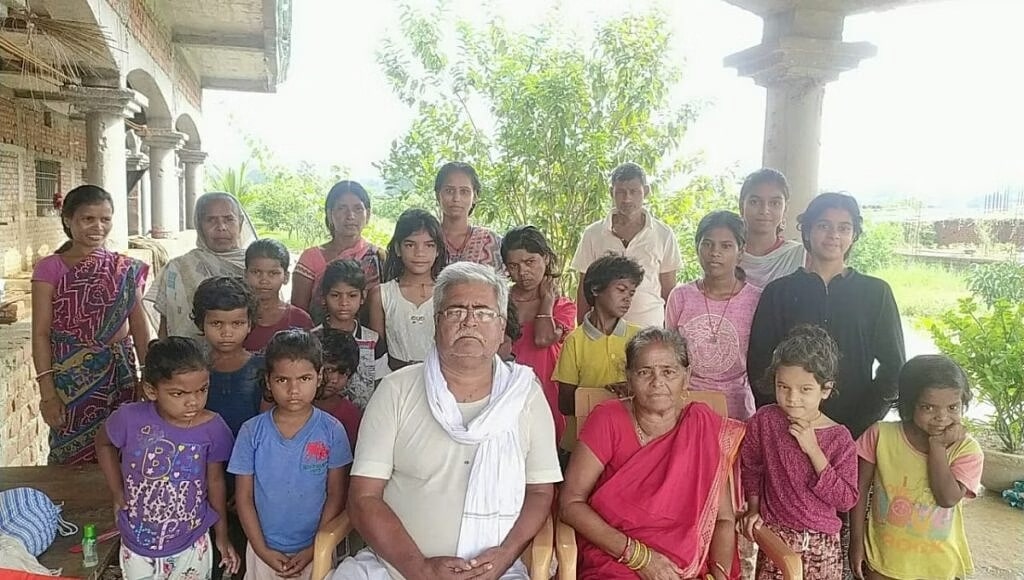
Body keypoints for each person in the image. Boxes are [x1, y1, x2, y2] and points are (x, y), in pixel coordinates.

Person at [331, 262, 561, 580]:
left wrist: (505, 556)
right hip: (396, 567)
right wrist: (418, 568)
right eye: (455, 311)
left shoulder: (525, 395)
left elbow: (539, 492)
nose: (469, 321)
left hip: (494, 571)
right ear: (435, 323)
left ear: (500, 326)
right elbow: (364, 498)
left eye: (483, 312)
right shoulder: (395, 390)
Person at [559, 328, 742, 579]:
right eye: (645, 372)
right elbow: (570, 503)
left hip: (689, 568)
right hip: (617, 559)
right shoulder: (607, 420)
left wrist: (718, 576)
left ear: (686, 377)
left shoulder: (702, 427)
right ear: (629, 377)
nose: (657, 382)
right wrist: (639, 557)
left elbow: (723, 519)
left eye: (668, 372)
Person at [747, 192, 906, 439]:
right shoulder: (779, 292)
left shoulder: (876, 293)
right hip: (788, 427)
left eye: (844, 228)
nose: (834, 235)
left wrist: (861, 421)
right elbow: (759, 363)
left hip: (853, 429)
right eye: (824, 226)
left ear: (854, 235)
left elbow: (894, 367)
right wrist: (784, 416)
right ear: (807, 231)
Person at [95, 337, 240, 580]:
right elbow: (103, 443)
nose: (193, 401)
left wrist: (222, 536)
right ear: (151, 390)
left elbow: (215, 482)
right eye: (179, 393)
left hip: (191, 543)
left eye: (202, 390)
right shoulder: (129, 419)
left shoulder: (213, 428)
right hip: (136, 542)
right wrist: (117, 491)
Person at [31, 185, 151, 464]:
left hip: (119, 375)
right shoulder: (50, 268)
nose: (98, 227)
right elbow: (40, 333)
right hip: (70, 379)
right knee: (70, 452)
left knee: (123, 448)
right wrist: (48, 393)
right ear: (68, 220)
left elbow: (139, 325)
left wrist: (147, 374)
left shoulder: (125, 269)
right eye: (88, 219)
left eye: (105, 219)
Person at [229, 330, 351, 580]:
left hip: (315, 550)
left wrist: (314, 548)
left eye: (304, 378)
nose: (294, 389)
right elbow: (244, 497)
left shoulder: (332, 431)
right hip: (263, 550)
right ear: (268, 381)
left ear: (319, 378)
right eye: (283, 380)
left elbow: (336, 494)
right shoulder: (251, 432)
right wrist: (262, 549)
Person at [740, 325, 858, 580]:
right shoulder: (766, 420)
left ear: (825, 389)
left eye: (805, 389)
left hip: (822, 547)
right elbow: (751, 466)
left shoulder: (840, 438)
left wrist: (814, 450)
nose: (792, 398)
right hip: (775, 539)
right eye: (783, 387)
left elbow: (847, 499)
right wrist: (754, 507)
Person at [850, 355, 982, 580]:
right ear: (909, 404)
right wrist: (856, 543)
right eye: (928, 407)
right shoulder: (880, 435)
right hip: (883, 560)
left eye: (953, 407)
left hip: (938, 565)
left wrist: (937, 447)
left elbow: (947, 498)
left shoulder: (967, 449)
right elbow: (858, 491)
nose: (942, 417)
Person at [665, 211, 761, 420]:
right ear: (697, 247)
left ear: (741, 252)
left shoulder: (757, 300)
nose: (714, 252)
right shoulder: (680, 297)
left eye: (726, 246)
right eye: (707, 244)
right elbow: (669, 358)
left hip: (739, 411)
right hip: (686, 409)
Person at [570, 162, 682, 328]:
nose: (627, 198)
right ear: (611, 193)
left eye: (634, 191)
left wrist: (669, 334)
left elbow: (669, 291)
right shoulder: (593, 234)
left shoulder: (663, 234)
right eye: (621, 192)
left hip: (649, 332)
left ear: (646, 191)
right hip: (604, 333)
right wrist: (582, 330)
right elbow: (584, 287)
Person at [501, 225, 577, 443]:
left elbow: (543, 339)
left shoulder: (562, 306)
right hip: (506, 388)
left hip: (546, 390)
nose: (523, 272)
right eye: (514, 266)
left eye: (530, 262)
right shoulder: (500, 301)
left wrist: (546, 302)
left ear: (545, 258)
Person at [148, 192, 258, 340]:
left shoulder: (257, 267)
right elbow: (166, 327)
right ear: (199, 225)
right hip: (188, 359)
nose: (221, 227)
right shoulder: (179, 268)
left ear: (241, 222)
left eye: (229, 219)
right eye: (211, 220)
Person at [553, 255, 643, 419]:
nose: (627, 298)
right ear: (595, 289)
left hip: (628, 434)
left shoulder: (639, 338)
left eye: (632, 293)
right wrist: (606, 396)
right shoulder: (574, 341)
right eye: (621, 290)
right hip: (583, 436)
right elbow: (565, 404)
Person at [292, 180, 386, 325]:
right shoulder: (310, 258)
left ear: (368, 215)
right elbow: (299, 314)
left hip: (366, 342)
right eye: (342, 208)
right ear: (329, 214)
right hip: (318, 341)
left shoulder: (379, 257)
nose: (350, 216)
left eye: (358, 209)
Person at [368, 208, 447, 370]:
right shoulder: (381, 295)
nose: (419, 253)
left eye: (429, 245)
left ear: (438, 250)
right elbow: (377, 353)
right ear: (397, 248)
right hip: (395, 380)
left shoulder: (448, 294)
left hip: (440, 379)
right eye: (410, 245)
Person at [193, 276, 264, 437]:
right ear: (200, 323)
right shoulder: (192, 368)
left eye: (237, 324)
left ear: (249, 324)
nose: (226, 332)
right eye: (216, 323)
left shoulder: (261, 368)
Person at [313, 259, 386, 409]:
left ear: (363, 297)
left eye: (352, 295)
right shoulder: (311, 340)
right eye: (335, 295)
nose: (344, 303)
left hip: (365, 421)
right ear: (324, 297)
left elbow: (382, 385)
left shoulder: (373, 341)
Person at [737, 169, 807, 288]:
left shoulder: (800, 255)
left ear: (785, 209)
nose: (764, 210)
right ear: (742, 205)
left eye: (775, 203)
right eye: (755, 202)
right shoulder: (725, 253)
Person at [244, 239, 313, 353]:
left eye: (273, 273)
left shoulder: (299, 319)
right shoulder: (234, 317)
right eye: (256, 272)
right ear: (245, 275)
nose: (264, 280)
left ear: (286, 277)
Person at [433, 161, 503, 269]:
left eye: (464, 191)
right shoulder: (427, 239)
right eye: (449, 191)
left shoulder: (491, 241)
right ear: (438, 195)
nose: (456, 198)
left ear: (475, 196)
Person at [314, 327, 363, 450]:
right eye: (329, 369)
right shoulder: (291, 403)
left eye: (343, 372)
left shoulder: (350, 415)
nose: (334, 379)